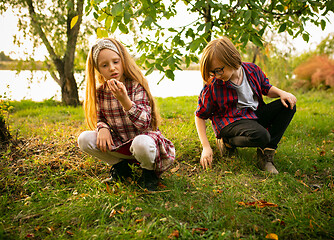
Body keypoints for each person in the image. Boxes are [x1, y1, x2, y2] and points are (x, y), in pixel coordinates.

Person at [78, 38, 175, 191]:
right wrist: (102, 128)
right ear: (98, 69)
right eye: (105, 65)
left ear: (123, 60)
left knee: (141, 143)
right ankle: (121, 168)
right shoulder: (100, 93)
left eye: (115, 62)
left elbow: (145, 123)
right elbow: (101, 117)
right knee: (84, 139)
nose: (112, 68)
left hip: (143, 145)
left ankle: (149, 172)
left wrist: (125, 100)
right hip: (121, 144)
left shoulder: (136, 86)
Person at [195, 37, 296, 174]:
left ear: (230, 59)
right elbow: (200, 116)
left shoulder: (252, 70)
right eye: (212, 72)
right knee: (261, 135)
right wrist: (206, 147)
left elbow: (266, 88)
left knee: (288, 105)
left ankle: (266, 154)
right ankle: (227, 142)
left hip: (253, 115)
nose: (216, 76)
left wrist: (282, 93)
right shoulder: (213, 86)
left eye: (218, 70)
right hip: (230, 121)